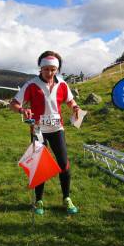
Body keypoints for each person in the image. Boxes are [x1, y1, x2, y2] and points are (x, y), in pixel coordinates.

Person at [10, 51, 80, 215]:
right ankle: (39, 200)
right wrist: (22, 110)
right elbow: (13, 103)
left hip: (57, 129)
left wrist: (75, 107)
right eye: (46, 69)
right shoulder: (31, 85)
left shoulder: (62, 84)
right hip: (38, 129)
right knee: (40, 165)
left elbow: (70, 100)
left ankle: (66, 198)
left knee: (63, 163)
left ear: (57, 69)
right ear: (40, 68)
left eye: (53, 69)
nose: (49, 73)